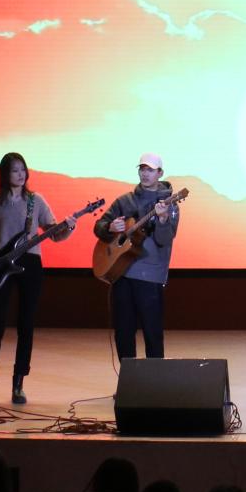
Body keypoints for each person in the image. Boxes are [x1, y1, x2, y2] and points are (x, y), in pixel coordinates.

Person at [0, 152, 77, 406]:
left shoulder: (35, 201)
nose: (20, 174)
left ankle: (18, 385)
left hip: (30, 264)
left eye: (23, 170)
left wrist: (69, 226)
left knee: (26, 324)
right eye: (14, 170)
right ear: (5, 174)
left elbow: (54, 233)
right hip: (1, 264)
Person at [94, 153, 181, 360]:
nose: (145, 174)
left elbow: (164, 240)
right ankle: (128, 377)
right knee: (123, 332)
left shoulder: (169, 205)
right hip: (121, 273)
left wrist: (162, 219)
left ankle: (155, 379)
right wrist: (110, 227)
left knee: (152, 333)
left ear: (160, 173)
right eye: (142, 169)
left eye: (150, 170)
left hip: (150, 276)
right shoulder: (125, 201)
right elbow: (99, 226)